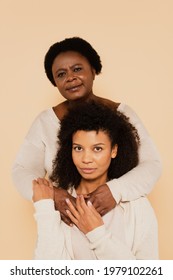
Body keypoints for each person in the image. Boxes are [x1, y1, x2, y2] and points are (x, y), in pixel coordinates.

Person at [12, 36, 162, 223]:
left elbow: (152, 164)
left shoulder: (123, 114)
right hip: (68, 224)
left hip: (124, 219)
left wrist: (116, 190)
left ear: (93, 70)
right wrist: (52, 195)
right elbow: (21, 170)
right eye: (61, 74)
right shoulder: (45, 122)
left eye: (77, 69)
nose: (70, 78)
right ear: (55, 82)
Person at [32, 101, 158, 259]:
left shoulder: (137, 206)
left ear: (114, 150)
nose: (86, 159)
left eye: (97, 148)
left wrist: (97, 235)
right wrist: (45, 209)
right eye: (78, 148)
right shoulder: (62, 206)